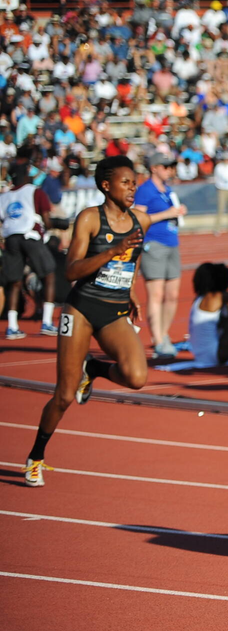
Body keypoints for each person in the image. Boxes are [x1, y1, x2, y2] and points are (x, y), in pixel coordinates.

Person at [23, 157, 158, 487]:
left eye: (134, 182)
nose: (132, 188)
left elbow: (134, 260)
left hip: (114, 311)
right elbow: (71, 271)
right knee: (64, 396)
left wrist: (132, 292)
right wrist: (113, 252)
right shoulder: (89, 219)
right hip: (81, 310)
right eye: (125, 182)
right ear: (106, 185)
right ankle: (36, 457)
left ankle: (94, 369)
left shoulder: (142, 220)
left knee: (137, 377)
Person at [133, 159, 188, 358]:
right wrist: (167, 214)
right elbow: (138, 219)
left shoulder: (167, 189)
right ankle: (157, 339)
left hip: (172, 242)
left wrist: (178, 212)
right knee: (155, 295)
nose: (170, 170)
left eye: (172, 167)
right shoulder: (145, 190)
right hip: (153, 244)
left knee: (172, 295)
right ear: (154, 168)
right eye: (166, 166)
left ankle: (163, 335)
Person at [1, 167, 58, 339]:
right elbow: (46, 219)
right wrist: (49, 226)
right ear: (26, 177)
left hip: (10, 238)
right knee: (48, 275)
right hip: (30, 235)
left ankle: (12, 326)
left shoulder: (3, 197)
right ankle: (47, 321)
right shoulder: (35, 192)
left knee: (15, 282)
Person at [213, 149, 228, 235]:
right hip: (222, 189)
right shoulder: (219, 167)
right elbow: (218, 177)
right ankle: (217, 228)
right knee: (220, 209)